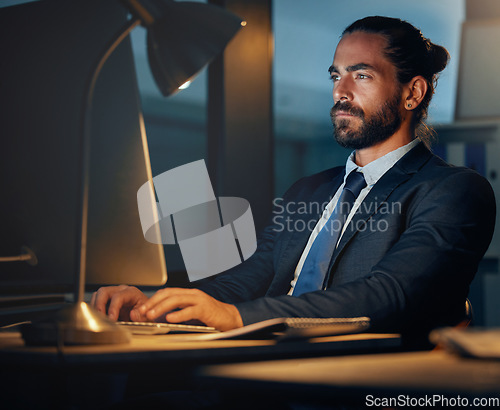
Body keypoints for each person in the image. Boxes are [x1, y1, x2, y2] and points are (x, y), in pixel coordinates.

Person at [92, 16, 496, 342]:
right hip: (258, 366)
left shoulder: (453, 190)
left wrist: (236, 317)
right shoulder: (309, 190)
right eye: (335, 75)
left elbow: (391, 295)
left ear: (412, 94)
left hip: (349, 381)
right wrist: (152, 304)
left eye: (362, 75)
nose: (341, 91)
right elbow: (249, 280)